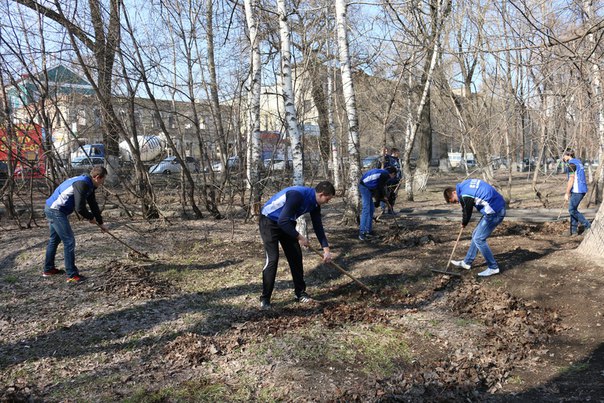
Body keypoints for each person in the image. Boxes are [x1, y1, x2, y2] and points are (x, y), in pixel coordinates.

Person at [259, 181, 336, 310]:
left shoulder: (315, 204)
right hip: (269, 221)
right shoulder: (297, 195)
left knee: (295, 256)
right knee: (273, 259)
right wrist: (300, 237)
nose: (327, 202)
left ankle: (300, 293)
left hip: (286, 223)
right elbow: (282, 221)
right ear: (321, 194)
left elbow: (318, 226)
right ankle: (265, 299)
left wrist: (326, 249)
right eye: (327, 199)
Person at [43, 166, 108, 283]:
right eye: (103, 180)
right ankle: (72, 275)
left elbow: (93, 204)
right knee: (69, 241)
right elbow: (80, 208)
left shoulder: (89, 184)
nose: (103, 183)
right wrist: (90, 217)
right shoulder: (82, 184)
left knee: (54, 239)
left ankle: (48, 269)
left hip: (53, 208)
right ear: (98, 178)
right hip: (55, 210)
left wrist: (100, 222)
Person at [443, 178, 506, 277]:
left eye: (455, 201)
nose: (457, 202)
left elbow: (467, 211)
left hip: (495, 211)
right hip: (494, 208)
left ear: (454, 192)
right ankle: (467, 262)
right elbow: (466, 205)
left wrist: (463, 223)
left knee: (479, 239)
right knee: (475, 235)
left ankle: (493, 267)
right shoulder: (464, 185)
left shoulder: (465, 195)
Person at [358, 166, 397, 240]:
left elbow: (380, 187)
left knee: (371, 209)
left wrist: (383, 197)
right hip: (364, 186)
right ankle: (362, 233)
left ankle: (368, 231)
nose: (393, 177)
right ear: (392, 173)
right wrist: (381, 198)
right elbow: (379, 188)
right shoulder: (385, 175)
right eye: (394, 175)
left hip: (369, 187)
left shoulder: (383, 173)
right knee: (366, 209)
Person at [562, 149, 591, 236]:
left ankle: (588, 225)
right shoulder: (577, 161)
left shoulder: (571, 164)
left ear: (567, 155)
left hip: (578, 190)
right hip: (579, 189)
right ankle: (573, 231)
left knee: (572, 210)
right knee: (573, 209)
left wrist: (567, 193)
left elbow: (571, 179)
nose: (563, 157)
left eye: (563, 155)